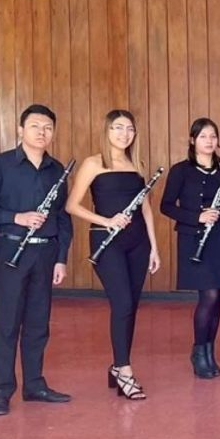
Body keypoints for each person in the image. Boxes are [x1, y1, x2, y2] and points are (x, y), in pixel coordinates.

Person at [65, 110, 161, 400]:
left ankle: (118, 365)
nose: (124, 134)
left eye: (129, 128)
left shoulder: (138, 164)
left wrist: (155, 246)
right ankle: (124, 369)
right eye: (118, 128)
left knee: (130, 305)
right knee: (121, 303)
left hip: (138, 243)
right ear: (107, 131)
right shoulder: (94, 163)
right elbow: (72, 205)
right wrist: (106, 221)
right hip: (106, 242)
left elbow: (144, 209)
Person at [0, 104, 73, 417]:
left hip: (45, 252)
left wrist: (61, 259)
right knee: (8, 323)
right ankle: (0, 392)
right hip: (11, 250)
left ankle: (34, 384)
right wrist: (17, 217)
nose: (42, 132)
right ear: (20, 130)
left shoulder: (57, 169)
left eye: (48, 127)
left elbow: (62, 217)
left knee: (38, 323)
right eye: (35, 125)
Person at [161, 118, 220, 378]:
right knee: (207, 297)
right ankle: (198, 351)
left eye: (212, 136)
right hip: (195, 239)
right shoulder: (181, 171)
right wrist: (196, 216)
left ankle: (210, 350)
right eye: (203, 136)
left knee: (217, 298)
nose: (209, 141)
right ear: (192, 140)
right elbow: (166, 206)